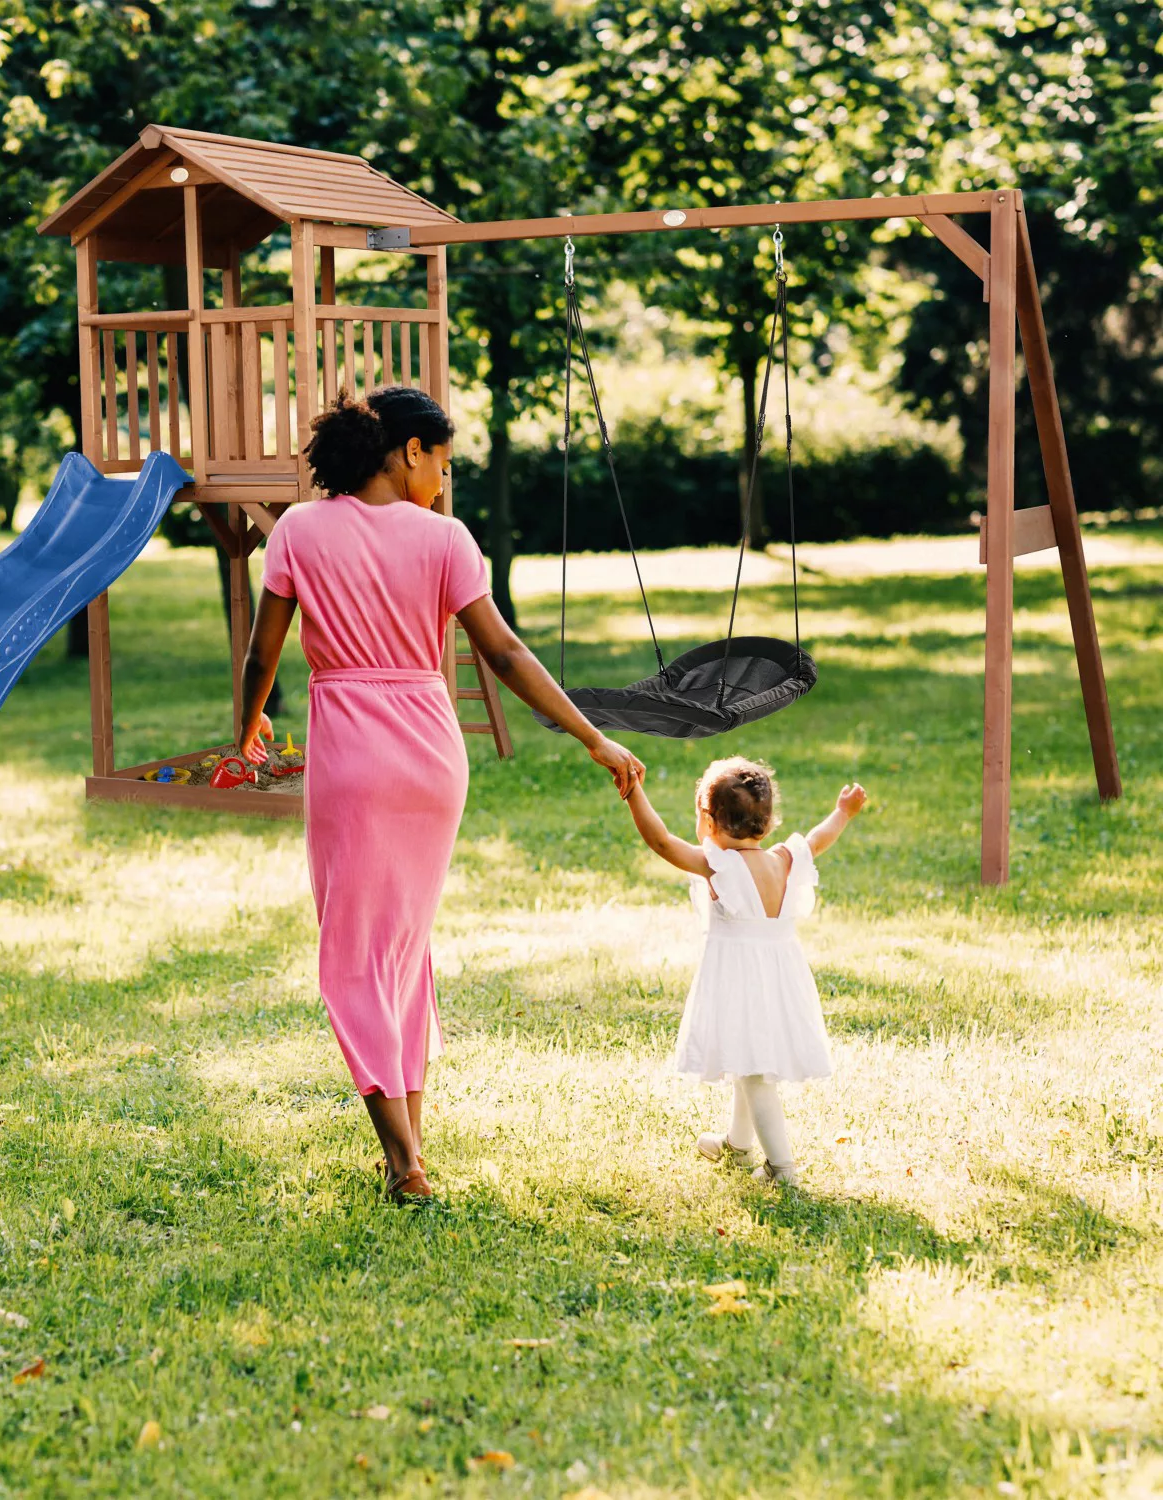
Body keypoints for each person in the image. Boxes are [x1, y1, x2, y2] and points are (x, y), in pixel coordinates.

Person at [239, 386, 644, 1202]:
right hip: (430, 754)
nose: (446, 483)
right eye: (444, 463)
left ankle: (403, 1162)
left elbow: (262, 655)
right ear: (409, 451)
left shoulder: (299, 531)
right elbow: (504, 654)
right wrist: (592, 735)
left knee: (354, 957)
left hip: (352, 753)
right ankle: (410, 1147)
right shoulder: (447, 540)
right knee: (402, 951)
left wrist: (245, 729)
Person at [623, 756, 867, 1186]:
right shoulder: (786, 859)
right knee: (745, 1058)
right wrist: (842, 812)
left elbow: (661, 841)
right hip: (780, 979)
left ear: (708, 821)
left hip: (741, 982)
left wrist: (633, 791)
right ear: (768, 823)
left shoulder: (719, 866)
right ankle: (737, 1146)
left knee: (754, 1075)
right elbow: (818, 838)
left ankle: (781, 1168)